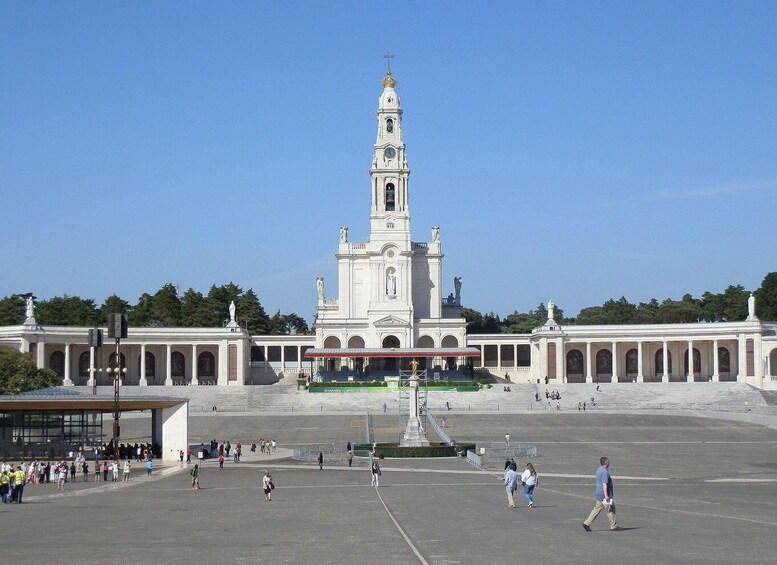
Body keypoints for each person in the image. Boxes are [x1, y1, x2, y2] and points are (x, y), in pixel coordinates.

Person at [582, 456, 620, 531]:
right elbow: (604, 484)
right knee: (610, 509)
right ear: (606, 463)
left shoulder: (599, 470)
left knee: (596, 509)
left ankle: (586, 523)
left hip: (599, 493)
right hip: (604, 494)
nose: (609, 464)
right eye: (608, 462)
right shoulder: (605, 472)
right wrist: (606, 496)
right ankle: (613, 526)